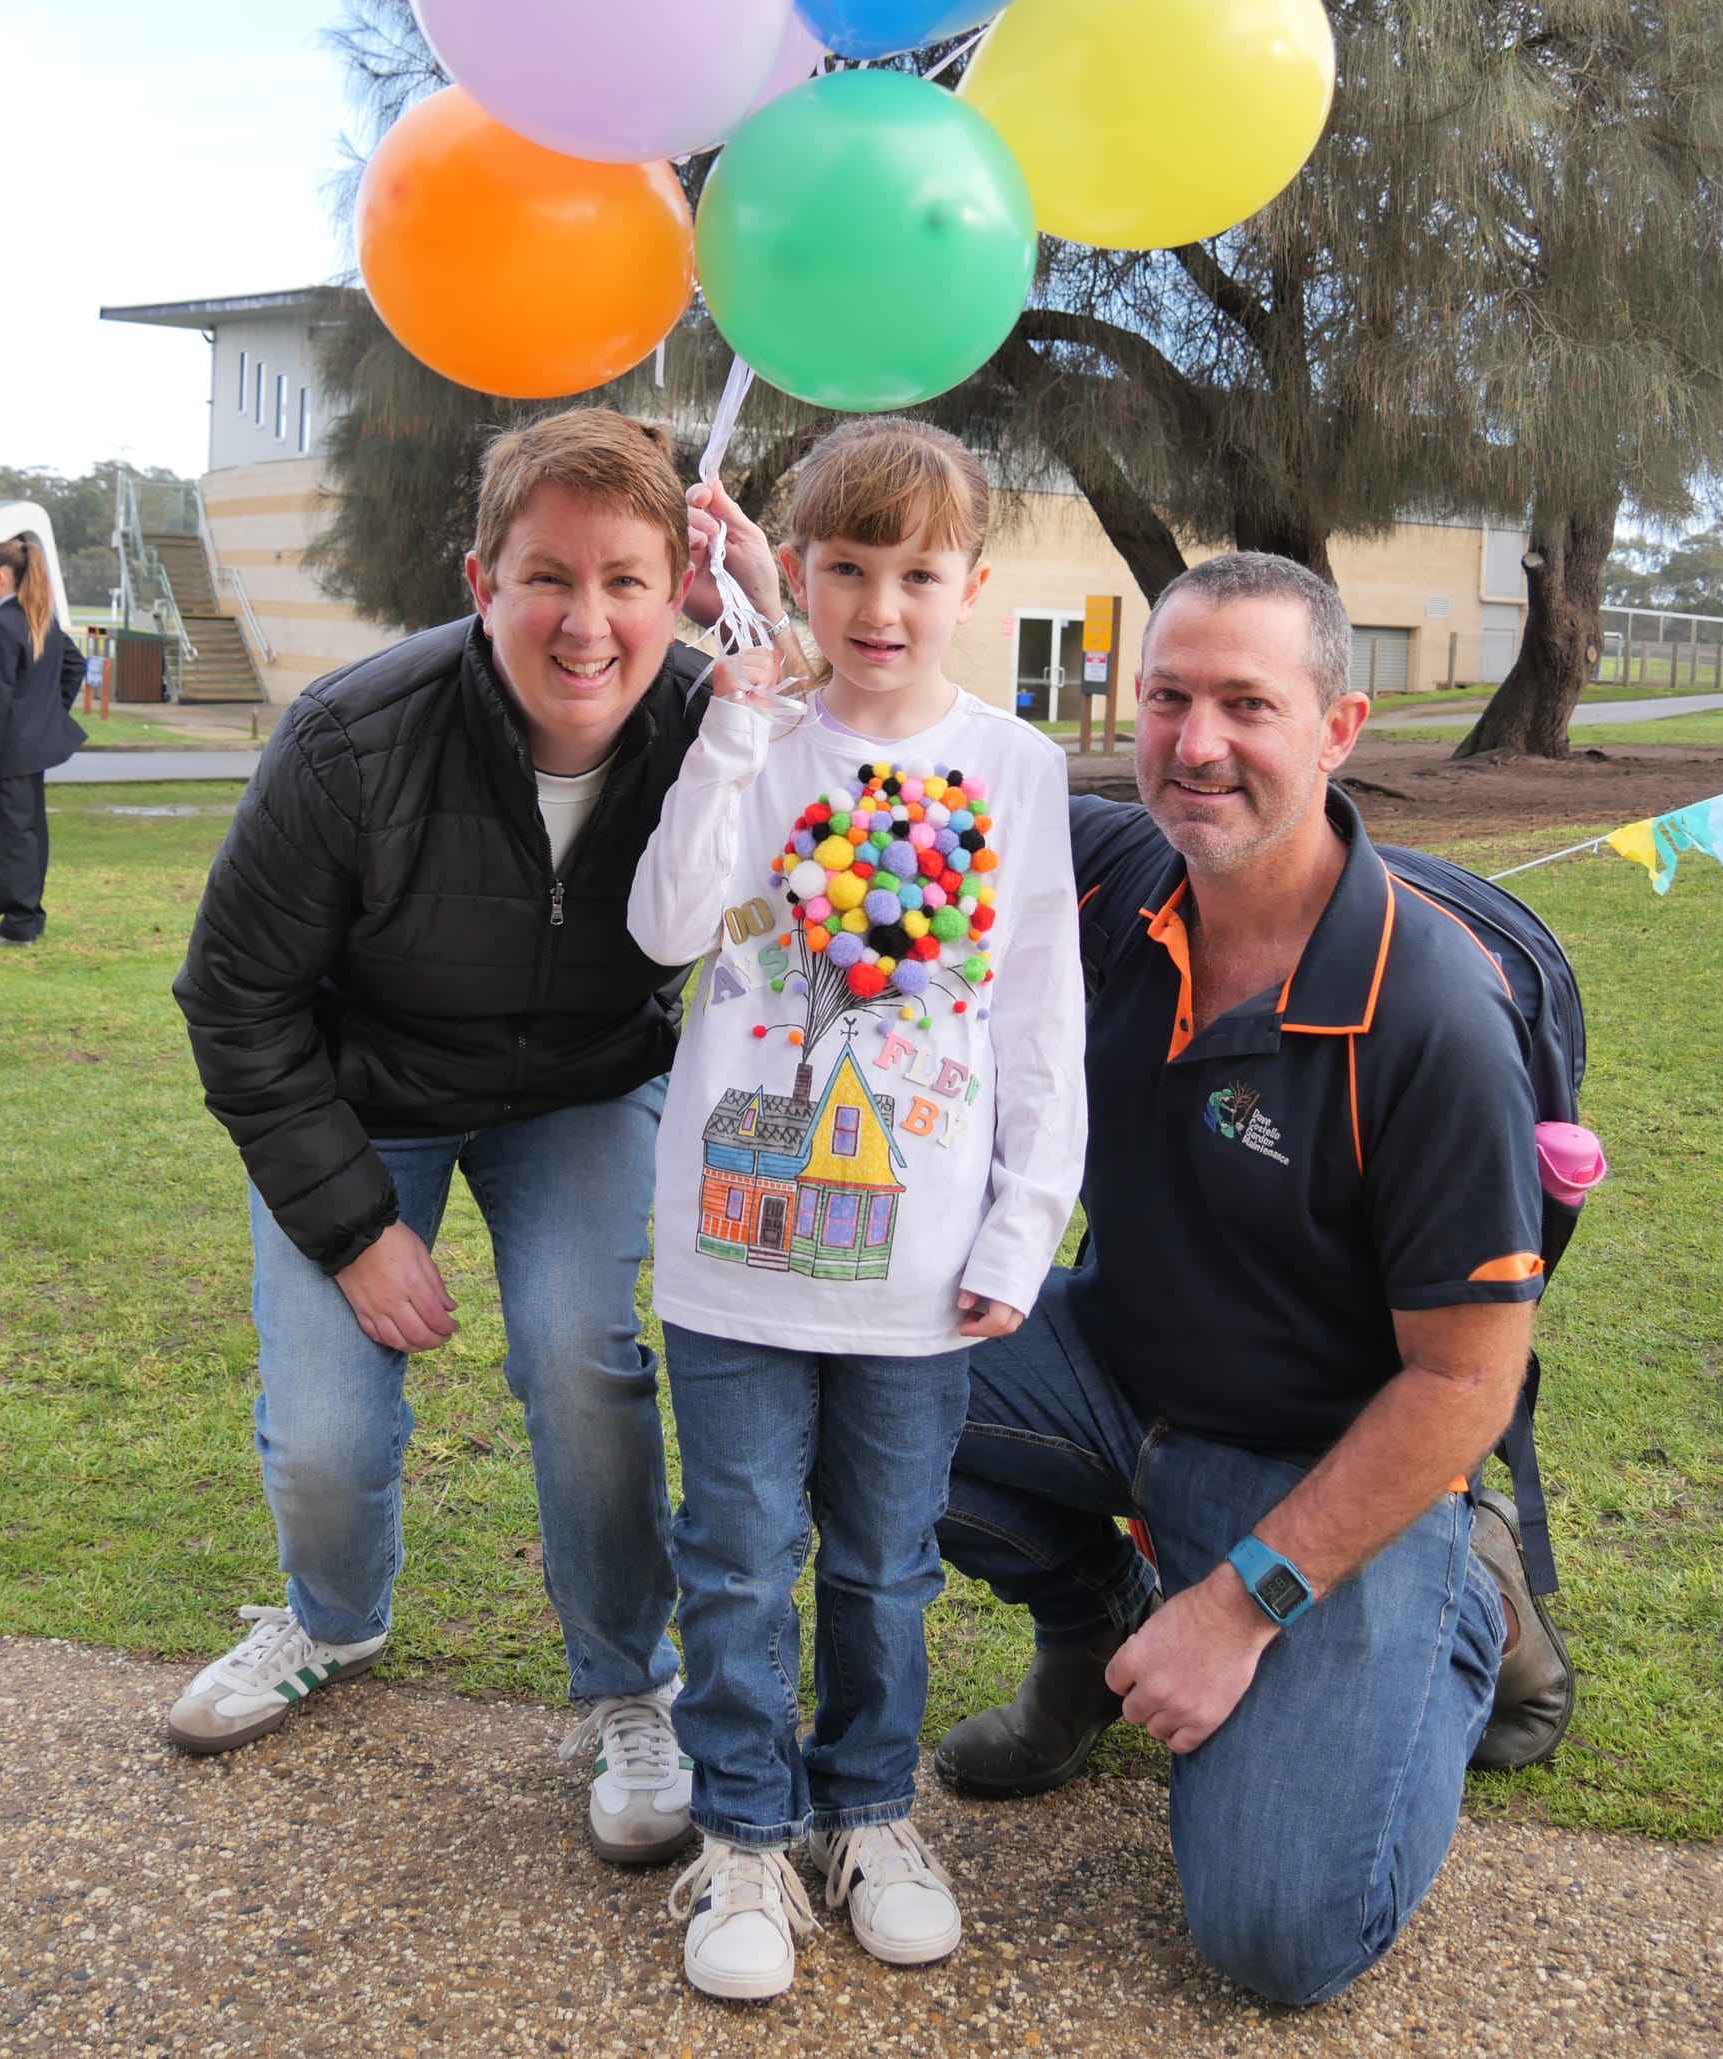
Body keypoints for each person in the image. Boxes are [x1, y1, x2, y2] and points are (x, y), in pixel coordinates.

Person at [933, 552, 1571, 2009]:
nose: (1196, 743)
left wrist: (1240, 1604)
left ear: (1339, 727)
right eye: (1167, 697)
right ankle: (1091, 1623)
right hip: (1110, 1374)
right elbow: (889, 731)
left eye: (1247, 703)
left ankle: (1462, 1595)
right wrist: (758, 601)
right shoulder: (1106, 877)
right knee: (844, 1373)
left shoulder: (1426, 1016)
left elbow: (1467, 1375)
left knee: (1280, 1933)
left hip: (1324, 1462)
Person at [166, 411, 784, 1871]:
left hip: (582, 1087)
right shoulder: (350, 738)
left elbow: (873, 729)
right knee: (324, 1431)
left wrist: (778, 595)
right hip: (363, 1094)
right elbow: (234, 999)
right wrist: (353, 1225)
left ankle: (633, 1682)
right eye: (548, 577)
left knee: (579, 1352)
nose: (589, 622)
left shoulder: (715, 719)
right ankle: (330, 1615)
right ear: (479, 579)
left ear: (675, 591)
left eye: (629, 580)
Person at [628, 419, 1086, 2003]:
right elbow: (668, 923)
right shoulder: (751, 729)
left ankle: (867, 1808)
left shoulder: (1018, 769)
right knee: (740, 1552)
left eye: (915, 573)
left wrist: (1023, 1223)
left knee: (884, 1560)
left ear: (972, 583)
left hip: (921, 1265)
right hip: (734, 1259)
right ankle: (745, 1827)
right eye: (844, 567)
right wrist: (735, 738)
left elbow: (1040, 1019)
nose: (878, 606)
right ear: (797, 572)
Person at [0, 533, 86, 947]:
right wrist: (41, 719)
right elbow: (74, 666)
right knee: (27, 835)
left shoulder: (3, 626)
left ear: (0, 575)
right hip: (26, 753)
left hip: (6, 757)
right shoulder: (36, 617)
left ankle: (18, 925)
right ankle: (26, 918)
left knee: (11, 838)